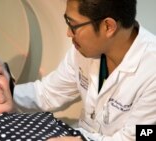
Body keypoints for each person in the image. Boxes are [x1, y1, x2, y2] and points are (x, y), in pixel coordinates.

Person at [13, 0, 156, 141]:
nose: (69, 33)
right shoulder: (85, 50)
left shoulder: (151, 70)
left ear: (108, 26)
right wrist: (3, 91)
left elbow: (137, 136)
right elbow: (47, 93)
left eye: (73, 25)